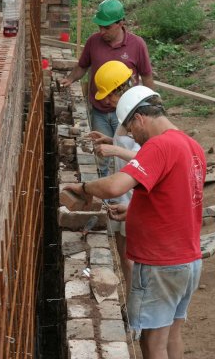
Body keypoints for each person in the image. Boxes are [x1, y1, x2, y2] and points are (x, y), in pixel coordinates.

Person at [64, 86, 206, 359]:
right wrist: (133, 211)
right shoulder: (192, 146)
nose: (132, 136)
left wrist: (85, 187)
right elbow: (179, 200)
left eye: (130, 129)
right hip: (188, 261)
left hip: (160, 264)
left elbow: (115, 186)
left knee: (152, 343)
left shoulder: (159, 145)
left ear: (139, 118)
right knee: (172, 335)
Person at [61, 0, 154, 176]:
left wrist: (152, 105)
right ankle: (105, 198)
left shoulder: (137, 45)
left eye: (107, 27)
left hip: (126, 113)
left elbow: (147, 76)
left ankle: (124, 193)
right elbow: (82, 66)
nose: (102, 31)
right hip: (100, 111)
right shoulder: (93, 42)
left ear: (121, 23)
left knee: (130, 155)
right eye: (100, 27)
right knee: (102, 155)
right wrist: (70, 78)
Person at [89, 60, 140, 299]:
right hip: (124, 194)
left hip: (136, 196)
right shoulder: (125, 114)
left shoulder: (141, 116)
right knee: (123, 252)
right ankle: (128, 300)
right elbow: (128, 145)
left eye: (109, 96)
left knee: (132, 259)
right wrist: (110, 141)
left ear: (121, 88)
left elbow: (150, 157)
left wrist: (116, 151)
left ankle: (135, 311)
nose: (106, 101)